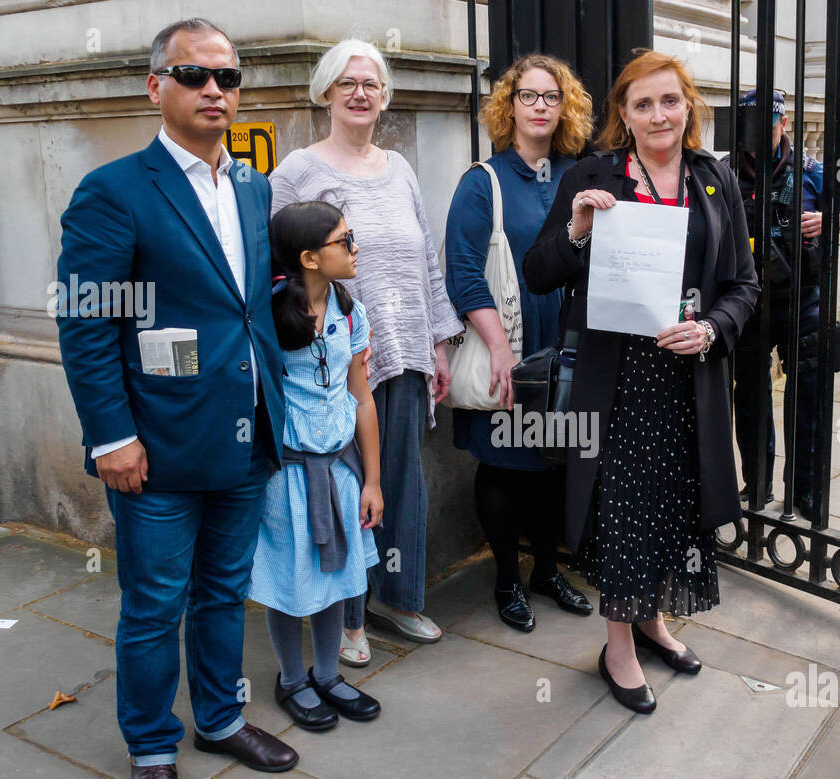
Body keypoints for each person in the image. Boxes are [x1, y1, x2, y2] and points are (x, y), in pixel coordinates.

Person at [54, 18, 297, 779]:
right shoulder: (114, 190)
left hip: (246, 433)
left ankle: (221, 721)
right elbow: (87, 323)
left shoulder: (256, 188)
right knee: (155, 603)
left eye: (229, 77)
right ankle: (152, 749)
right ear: (155, 85)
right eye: (195, 76)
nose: (215, 92)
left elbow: (247, 306)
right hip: (155, 445)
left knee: (225, 593)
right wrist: (110, 436)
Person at [524, 51, 759, 714]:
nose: (659, 114)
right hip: (617, 381)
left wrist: (712, 328)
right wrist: (576, 229)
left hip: (688, 379)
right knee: (622, 510)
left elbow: (743, 284)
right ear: (623, 116)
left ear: (689, 106)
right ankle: (618, 646)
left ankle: (654, 621)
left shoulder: (713, 180)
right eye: (643, 104)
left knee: (675, 508)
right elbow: (539, 271)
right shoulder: (593, 176)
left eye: (670, 100)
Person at [270, 39, 464, 662]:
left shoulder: (400, 168)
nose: (360, 94)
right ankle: (348, 618)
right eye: (347, 82)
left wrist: (438, 340)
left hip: (404, 347)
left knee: (400, 476)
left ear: (384, 97)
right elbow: (278, 264)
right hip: (335, 358)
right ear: (326, 91)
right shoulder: (300, 170)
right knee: (347, 483)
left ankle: (397, 599)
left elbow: (426, 259)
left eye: (371, 84)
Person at [444, 54, 595, 633]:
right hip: (510, 340)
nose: (539, 107)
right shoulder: (482, 181)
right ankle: (507, 578)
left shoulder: (576, 174)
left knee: (554, 464)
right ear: (509, 107)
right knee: (506, 465)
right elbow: (462, 271)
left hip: (567, 342)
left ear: (566, 109)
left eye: (550, 97)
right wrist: (500, 349)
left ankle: (546, 571)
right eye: (527, 96)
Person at [249, 201, 384, 730]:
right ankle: (291, 681)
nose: (355, 250)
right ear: (309, 257)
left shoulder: (351, 310)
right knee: (290, 580)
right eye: (344, 241)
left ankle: (327, 675)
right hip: (289, 476)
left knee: (335, 576)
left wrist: (372, 480)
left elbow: (363, 399)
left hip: (341, 470)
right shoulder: (270, 316)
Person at [732, 89, 840, 520]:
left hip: (803, 300)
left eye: (765, 126)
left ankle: (803, 491)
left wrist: (832, 220)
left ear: (782, 125)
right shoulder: (725, 171)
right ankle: (758, 483)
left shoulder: (811, 171)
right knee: (750, 397)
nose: (755, 136)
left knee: (808, 397)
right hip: (746, 304)